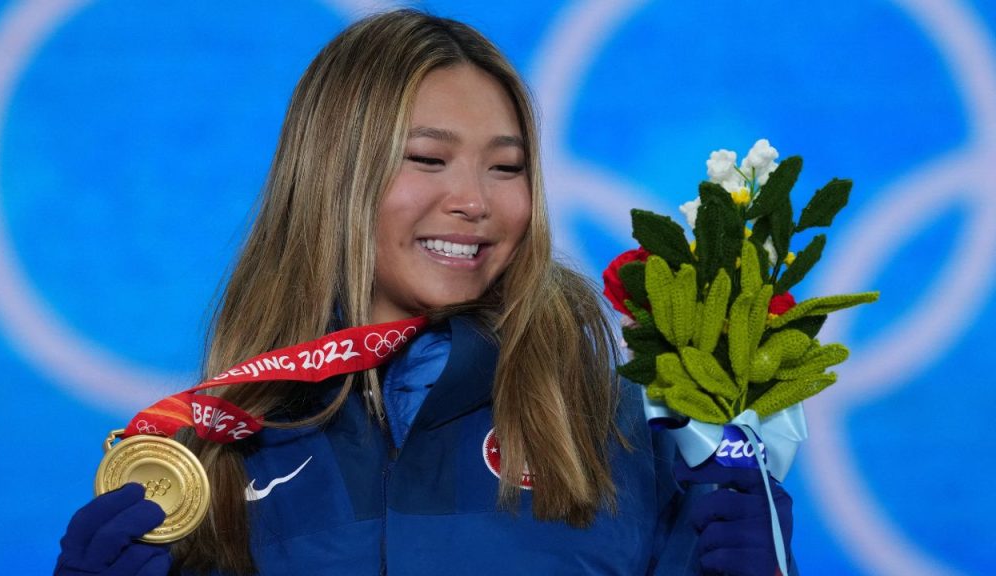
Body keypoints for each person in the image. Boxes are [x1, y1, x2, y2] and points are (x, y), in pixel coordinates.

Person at [54, 9, 795, 576]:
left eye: (506, 169)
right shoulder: (216, 448)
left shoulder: (618, 430)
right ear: (331, 175)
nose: (474, 200)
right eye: (428, 159)